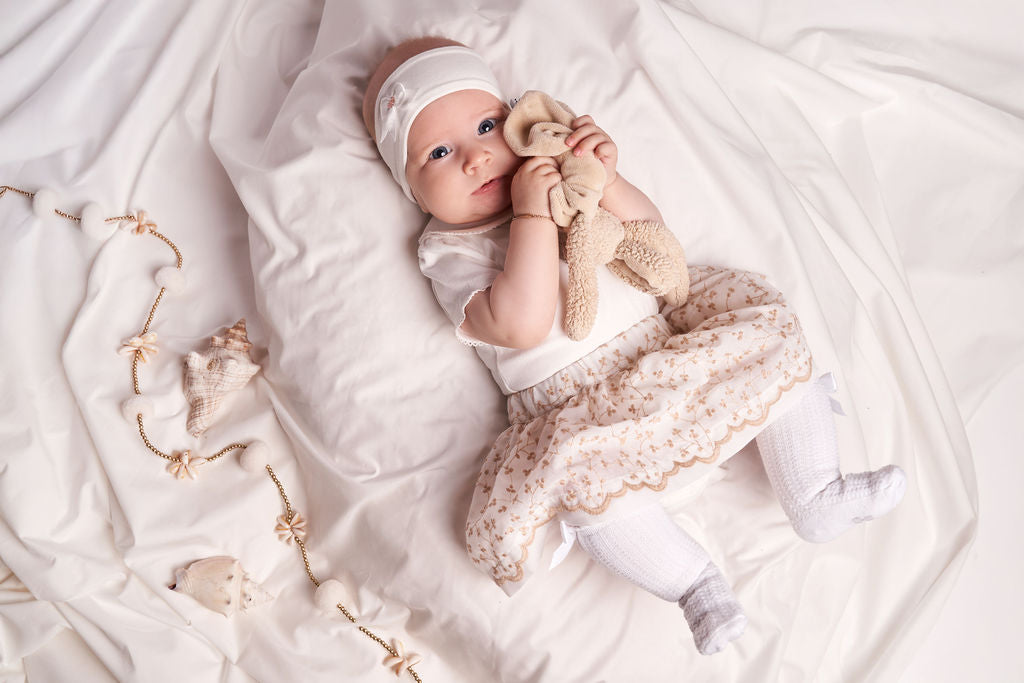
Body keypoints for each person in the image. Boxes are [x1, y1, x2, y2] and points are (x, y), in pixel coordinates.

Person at [362, 36, 907, 655]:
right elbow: (521, 325)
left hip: (665, 358)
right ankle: (695, 585)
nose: (476, 157)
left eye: (487, 127)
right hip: (583, 416)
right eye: (438, 152)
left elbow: (653, 239)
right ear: (411, 190)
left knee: (766, 339)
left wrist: (608, 178)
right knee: (586, 496)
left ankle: (815, 494)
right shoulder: (448, 252)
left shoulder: (564, 187)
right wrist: (531, 217)